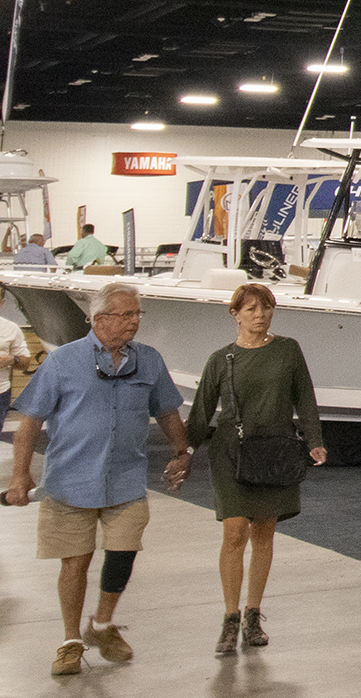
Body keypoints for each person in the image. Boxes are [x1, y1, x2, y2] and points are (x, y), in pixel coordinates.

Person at [3, 284, 191, 676]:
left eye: (137, 314)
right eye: (126, 315)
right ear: (100, 319)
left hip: (126, 479)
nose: (135, 321)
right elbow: (30, 423)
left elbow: (169, 410)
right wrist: (21, 476)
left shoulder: (149, 361)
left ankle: (102, 623)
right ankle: (71, 641)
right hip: (70, 481)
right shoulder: (63, 362)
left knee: (124, 550)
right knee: (75, 562)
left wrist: (181, 451)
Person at [184, 282, 325, 656]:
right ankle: (230, 618)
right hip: (231, 450)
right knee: (234, 533)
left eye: (265, 308)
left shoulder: (288, 350)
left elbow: (305, 398)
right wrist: (184, 449)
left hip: (276, 449)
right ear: (235, 315)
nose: (260, 315)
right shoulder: (221, 360)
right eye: (251, 310)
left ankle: (252, 615)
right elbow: (201, 410)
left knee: (264, 532)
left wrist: (314, 440)